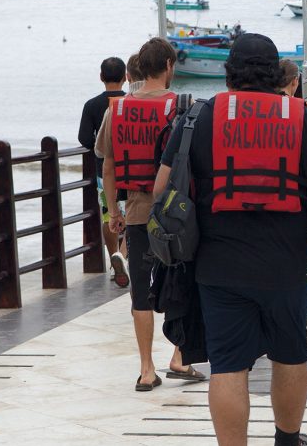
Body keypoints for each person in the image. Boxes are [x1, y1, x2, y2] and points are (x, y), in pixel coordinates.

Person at [152, 33, 307, 446]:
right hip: (287, 266)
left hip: (218, 268)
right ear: (277, 74)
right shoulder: (304, 119)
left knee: (227, 365)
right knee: (291, 353)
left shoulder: (199, 118)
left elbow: (161, 191)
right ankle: (287, 440)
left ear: (229, 73)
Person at [96, 38, 203, 391]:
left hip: (137, 212)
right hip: (178, 217)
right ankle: (180, 357)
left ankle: (146, 369)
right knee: (184, 284)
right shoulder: (183, 107)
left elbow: (108, 165)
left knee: (140, 292)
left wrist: (113, 210)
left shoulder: (117, 110)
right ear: (169, 65)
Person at [77, 56, 128, 286]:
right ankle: (125, 256)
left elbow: (84, 139)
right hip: (131, 169)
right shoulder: (131, 102)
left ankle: (114, 257)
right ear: (125, 77)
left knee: (109, 215)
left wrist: (101, 144)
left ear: (101, 77)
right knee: (132, 213)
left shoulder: (92, 105)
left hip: (103, 171)